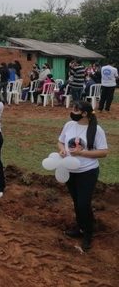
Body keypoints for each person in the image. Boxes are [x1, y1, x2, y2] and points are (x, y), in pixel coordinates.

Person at [59, 101, 108, 251]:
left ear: (85, 113)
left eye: (76, 109)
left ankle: (88, 233)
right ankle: (81, 227)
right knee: (77, 202)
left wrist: (81, 153)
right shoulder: (69, 125)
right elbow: (60, 142)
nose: (72, 111)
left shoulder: (96, 130)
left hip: (87, 172)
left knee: (83, 203)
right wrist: (62, 150)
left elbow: (103, 152)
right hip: (70, 171)